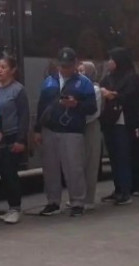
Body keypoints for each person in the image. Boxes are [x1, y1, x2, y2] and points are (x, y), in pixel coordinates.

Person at [34, 47, 97, 217]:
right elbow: (41, 107)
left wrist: (76, 104)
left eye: (68, 66)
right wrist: (37, 130)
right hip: (50, 129)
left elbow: (92, 108)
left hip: (72, 130)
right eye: (62, 66)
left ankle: (77, 202)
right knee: (50, 168)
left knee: (74, 168)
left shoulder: (84, 83)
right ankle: (53, 202)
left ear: (75, 64)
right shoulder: (49, 81)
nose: (65, 69)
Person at [100, 48, 139, 205]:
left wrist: (114, 95)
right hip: (109, 121)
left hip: (125, 122)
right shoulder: (107, 78)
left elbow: (132, 97)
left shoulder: (132, 78)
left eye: (112, 59)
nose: (109, 62)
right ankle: (118, 188)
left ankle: (126, 191)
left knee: (123, 156)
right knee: (113, 157)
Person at [0, 54, 30, 224]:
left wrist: (21, 140)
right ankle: (9, 208)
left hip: (13, 136)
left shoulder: (18, 90)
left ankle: (15, 208)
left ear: (13, 70)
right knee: (1, 173)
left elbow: (24, 116)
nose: (0, 71)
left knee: (10, 173)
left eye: (4, 67)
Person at [78, 60, 103, 209]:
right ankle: (79, 196)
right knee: (78, 164)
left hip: (90, 126)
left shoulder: (95, 90)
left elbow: (93, 113)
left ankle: (89, 199)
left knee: (91, 163)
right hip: (78, 127)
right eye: (78, 71)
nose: (80, 74)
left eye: (83, 71)